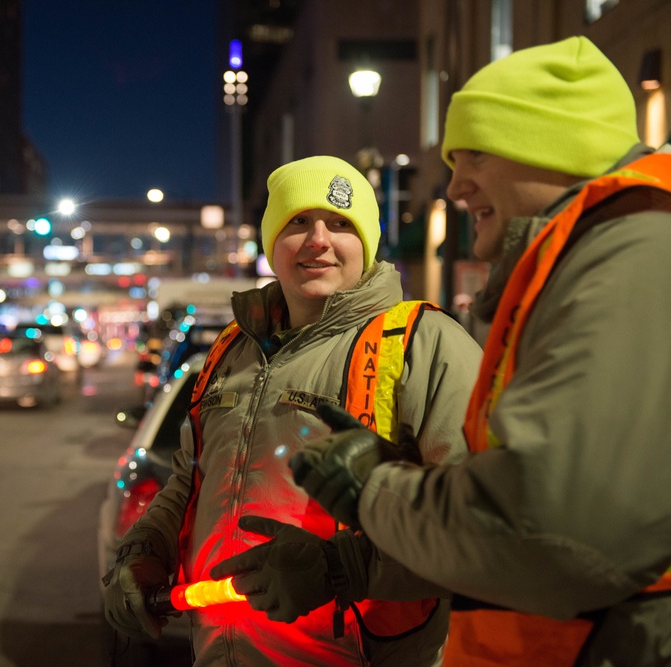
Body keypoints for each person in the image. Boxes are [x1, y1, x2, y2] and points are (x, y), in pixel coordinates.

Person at [288, 36, 671, 665]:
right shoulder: (600, 258)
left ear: (554, 149)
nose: (456, 185)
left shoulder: (626, 260)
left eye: (475, 156)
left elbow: (553, 534)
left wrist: (374, 488)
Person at [102, 155, 484, 665]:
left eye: (341, 223)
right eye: (297, 222)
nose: (318, 240)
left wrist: (341, 569)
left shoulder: (425, 345)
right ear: (272, 244)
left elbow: (476, 521)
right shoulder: (230, 350)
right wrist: (147, 545)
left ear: (367, 244)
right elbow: (189, 481)